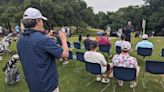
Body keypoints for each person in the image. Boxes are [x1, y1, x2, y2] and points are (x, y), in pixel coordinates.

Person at [17, 7, 68, 92]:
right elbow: (65, 54)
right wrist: (64, 40)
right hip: (47, 86)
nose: (43, 23)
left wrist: (46, 37)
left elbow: (35, 44)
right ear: (37, 21)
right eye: (41, 20)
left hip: (33, 85)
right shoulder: (43, 40)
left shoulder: (20, 40)